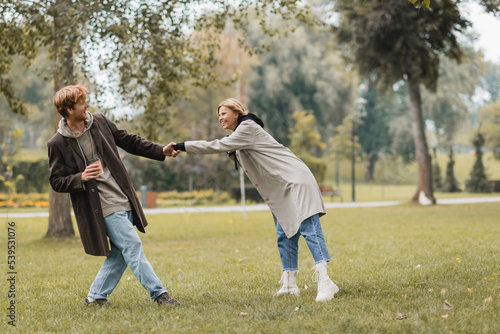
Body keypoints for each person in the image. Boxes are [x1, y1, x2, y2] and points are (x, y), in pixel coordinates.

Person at [168, 98, 339, 302]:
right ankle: (290, 284)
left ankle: (325, 282)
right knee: (284, 234)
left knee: (309, 228)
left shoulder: (247, 127)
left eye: (223, 113)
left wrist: (181, 145)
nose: (220, 118)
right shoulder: (241, 133)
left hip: (296, 180)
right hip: (282, 187)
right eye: (218, 115)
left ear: (236, 113)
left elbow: (217, 145)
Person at [48, 84, 180, 306]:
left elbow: (129, 140)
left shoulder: (99, 121)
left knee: (120, 252)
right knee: (132, 245)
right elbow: (56, 181)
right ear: (69, 109)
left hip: (122, 196)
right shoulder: (57, 143)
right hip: (99, 204)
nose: (87, 105)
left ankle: (96, 296)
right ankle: (160, 294)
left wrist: (160, 150)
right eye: (82, 102)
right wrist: (80, 177)